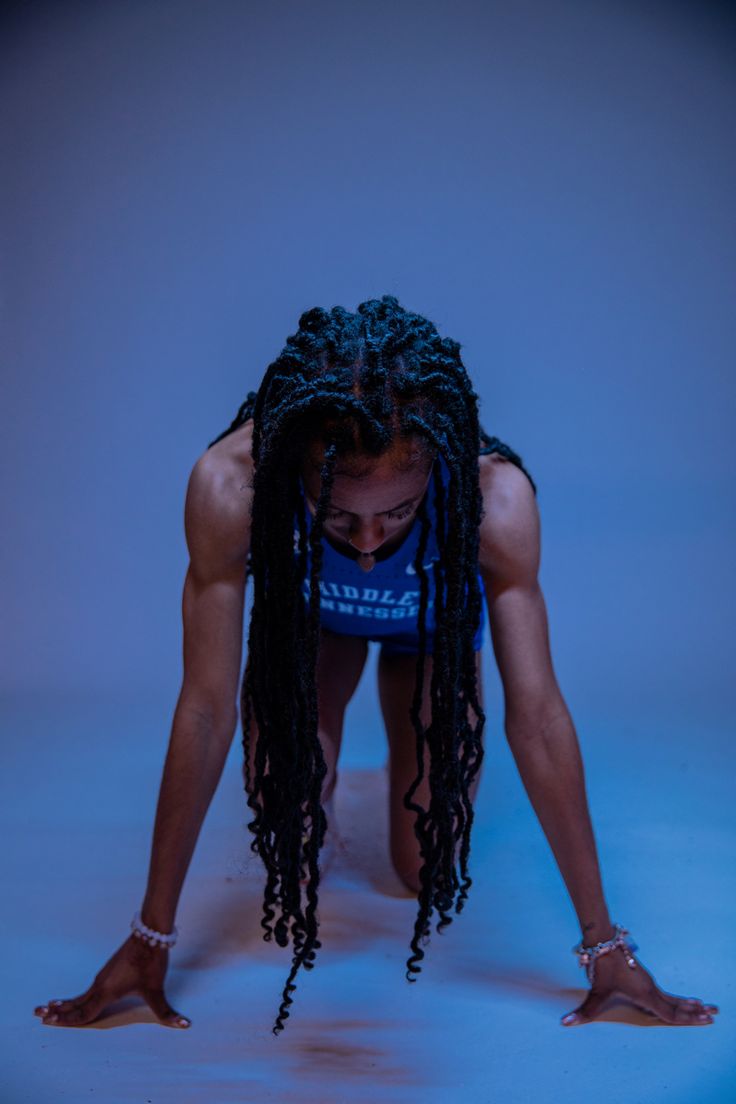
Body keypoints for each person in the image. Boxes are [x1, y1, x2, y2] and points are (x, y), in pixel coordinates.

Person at [34, 295, 718, 1035]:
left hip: (428, 636)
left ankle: (365, 770)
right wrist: (150, 936)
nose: (365, 544)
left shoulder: (495, 498)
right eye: (338, 516)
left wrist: (604, 943)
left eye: (397, 514)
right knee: (297, 859)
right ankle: (323, 771)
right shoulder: (231, 485)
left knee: (420, 875)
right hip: (309, 633)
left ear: (435, 474)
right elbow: (204, 708)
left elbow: (540, 717)